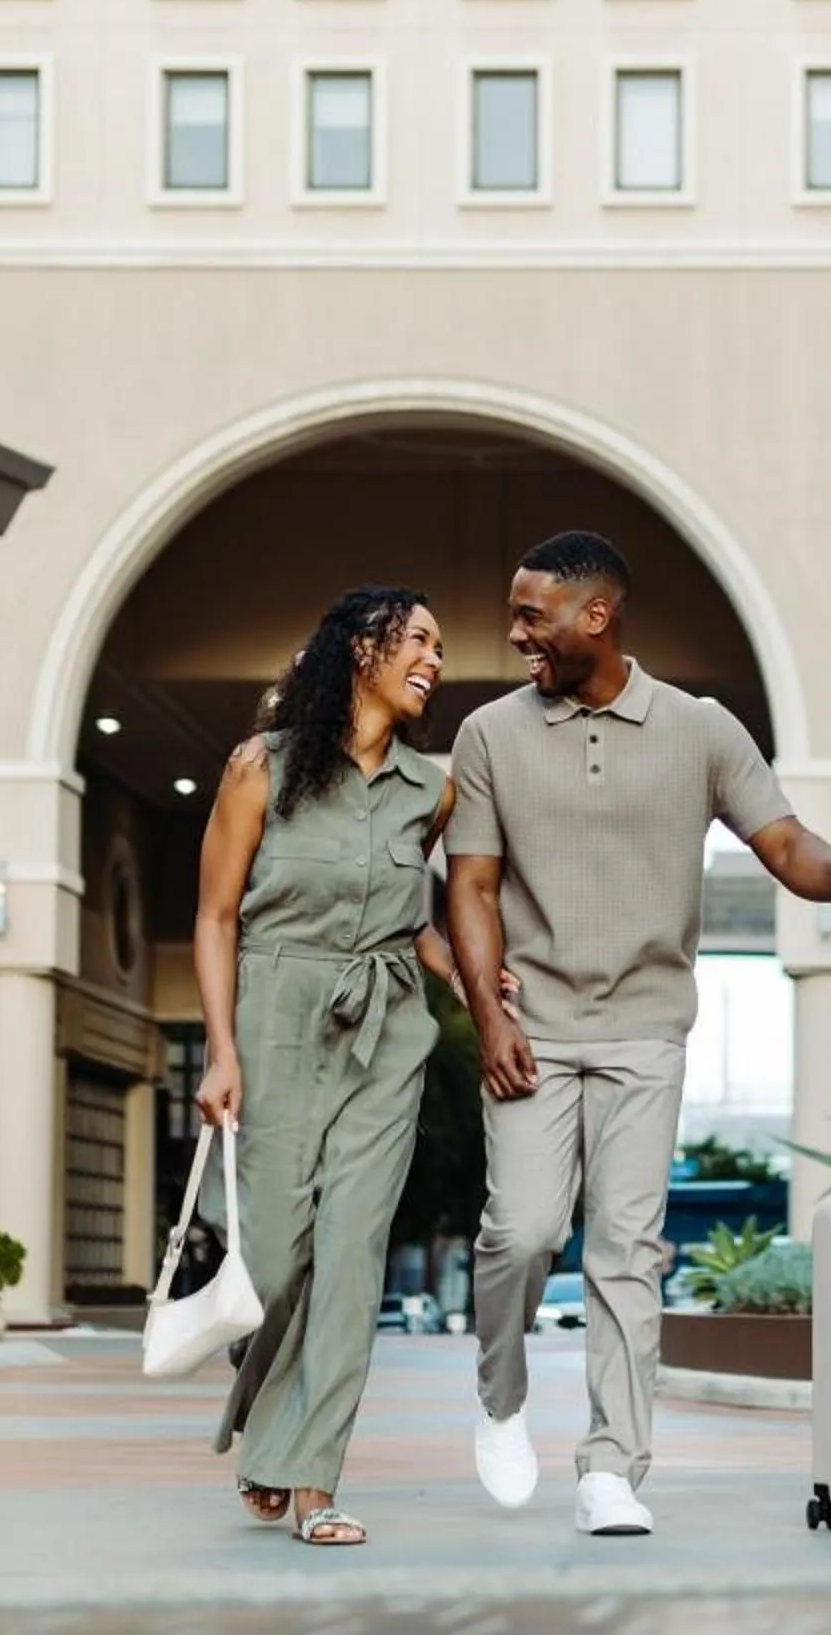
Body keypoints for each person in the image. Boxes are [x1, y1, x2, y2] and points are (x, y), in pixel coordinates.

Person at [445, 530, 831, 1538]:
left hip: (647, 1029)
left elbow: (782, 839)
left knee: (626, 1249)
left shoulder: (698, 729)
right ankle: (500, 1395)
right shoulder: (489, 734)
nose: (515, 633)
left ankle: (612, 1468)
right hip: (533, 1026)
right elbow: (470, 886)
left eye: (532, 615)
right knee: (521, 1232)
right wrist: (488, 1015)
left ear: (596, 615)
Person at [192, 584, 488, 1549]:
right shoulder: (260, 768)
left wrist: (472, 981)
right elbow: (217, 917)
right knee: (277, 1260)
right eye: (418, 641)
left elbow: (413, 923)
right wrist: (222, 1050)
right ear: (363, 648)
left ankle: (313, 1479)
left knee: (353, 1258)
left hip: (385, 1031)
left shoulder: (430, 791)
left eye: (438, 648)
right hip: (276, 1015)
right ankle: (268, 1422)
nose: (434, 660)